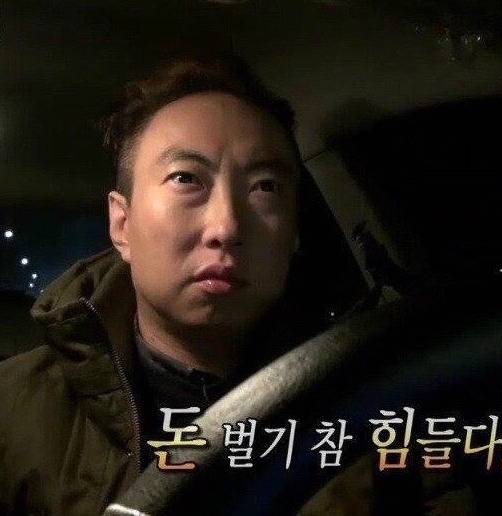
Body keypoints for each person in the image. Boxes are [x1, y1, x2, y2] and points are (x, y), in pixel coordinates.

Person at [0, 51, 363, 515]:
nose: (226, 227)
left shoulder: (381, 393)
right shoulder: (13, 412)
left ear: (294, 229)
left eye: (265, 187)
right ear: (122, 224)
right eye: (186, 178)